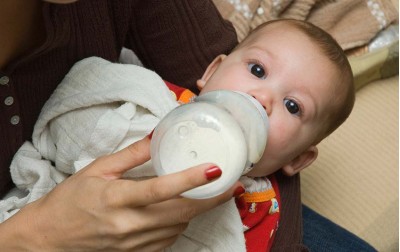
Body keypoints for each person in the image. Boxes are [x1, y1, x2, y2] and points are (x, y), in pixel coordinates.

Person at [0, 0, 376, 251]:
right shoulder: (147, 100)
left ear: (298, 158)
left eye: (292, 106)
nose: (262, 100)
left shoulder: (263, 204)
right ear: (210, 73)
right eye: (258, 72)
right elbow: (77, 111)